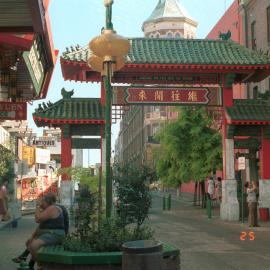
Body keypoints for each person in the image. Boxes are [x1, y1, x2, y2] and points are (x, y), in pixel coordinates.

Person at [12, 193, 67, 269]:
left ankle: (41, 266)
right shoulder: (48, 209)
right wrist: (32, 236)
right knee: (29, 243)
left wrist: (37, 206)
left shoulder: (53, 208)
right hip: (50, 234)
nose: (41, 203)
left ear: (47, 201)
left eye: (42, 201)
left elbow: (38, 219)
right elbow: (41, 226)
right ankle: (30, 265)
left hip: (56, 234)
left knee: (34, 246)